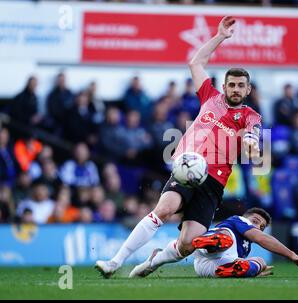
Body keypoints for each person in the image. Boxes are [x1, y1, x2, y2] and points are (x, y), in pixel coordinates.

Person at [95, 16, 262, 278]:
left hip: (214, 182)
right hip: (188, 168)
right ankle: (114, 262)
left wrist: (252, 147)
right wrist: (220, 37)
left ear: (248, 89)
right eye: (232, 84)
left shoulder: (251, 116)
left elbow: (253, 137)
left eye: (241, 85)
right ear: (224, 86)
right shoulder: (210, 96)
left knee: (187, 244)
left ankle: (154, 261)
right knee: (163, 209)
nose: (236, 89)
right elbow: (195, 62)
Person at [130, 208, 298, 278]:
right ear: (246, 217)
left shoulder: (246, 246)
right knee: (227, 238)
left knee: (259, 262)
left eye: (261, 225)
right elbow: (261, 238)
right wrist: (292, 255)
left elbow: (258, 238)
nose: (256, 224)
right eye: (254, 219)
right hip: (215, 246)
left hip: (205, 266)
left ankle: (241, 269)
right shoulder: (239, 221)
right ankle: (211, 242)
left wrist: (254, 269)